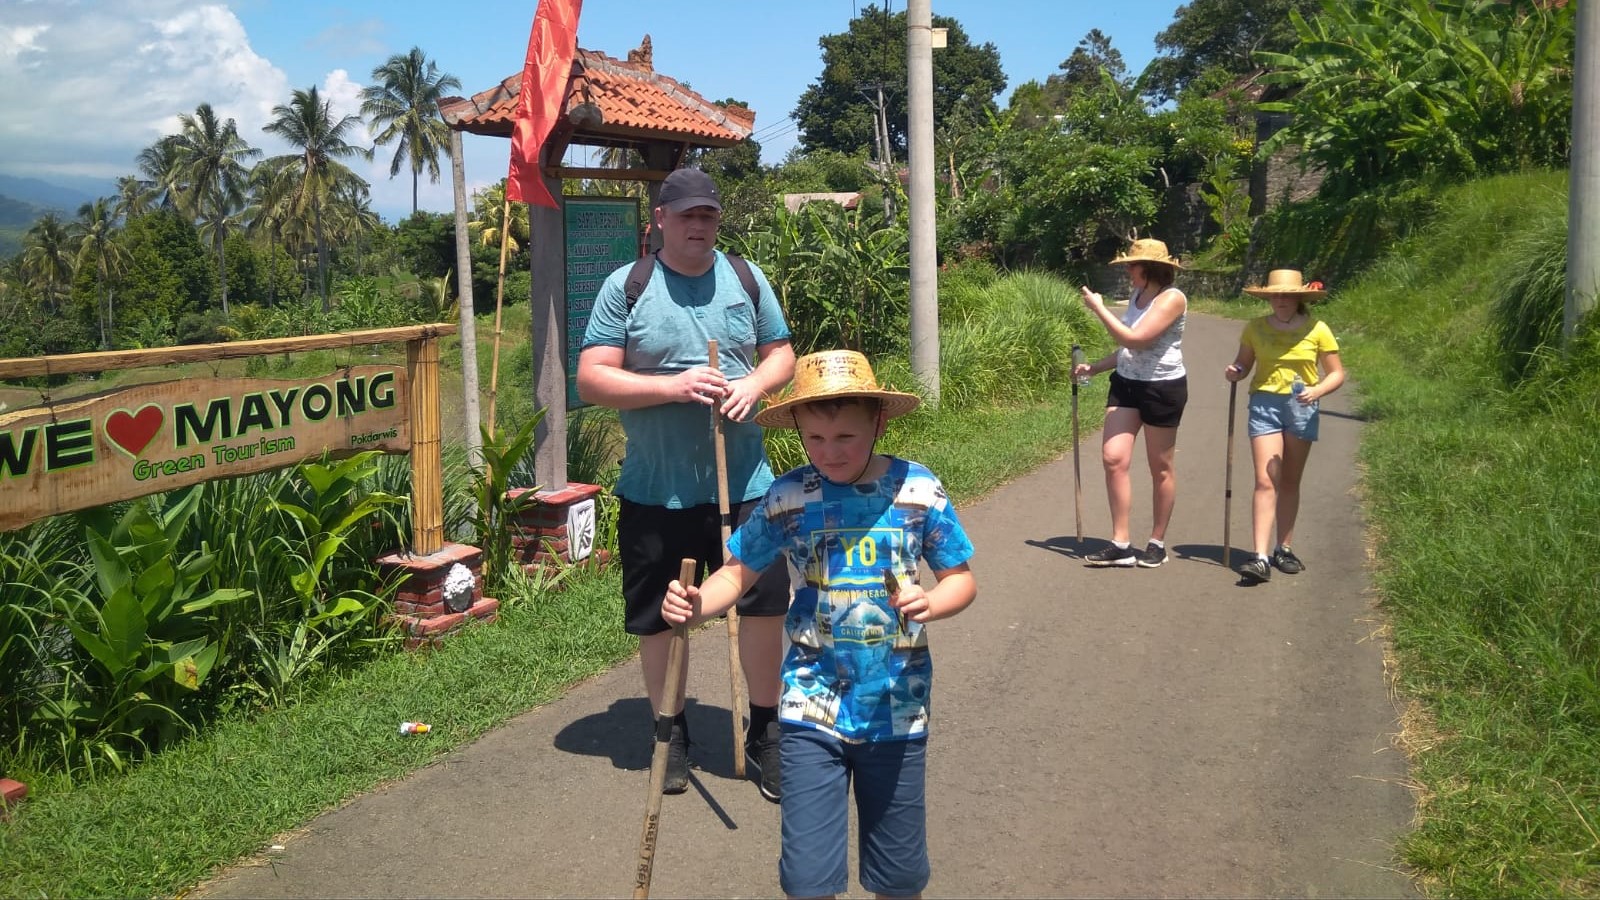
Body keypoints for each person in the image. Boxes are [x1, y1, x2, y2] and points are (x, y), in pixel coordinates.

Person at [662, 350, 977, 900]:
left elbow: (961, 578)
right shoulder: (787, 497)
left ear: (878, 423)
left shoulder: (918, 489)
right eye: (815, 440)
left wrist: (935, 600)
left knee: (899, 877)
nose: (830, 454)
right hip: (811, 701)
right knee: (807, 880)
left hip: (897, 706)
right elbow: (736, 573)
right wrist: (696, 601)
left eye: (846, 438)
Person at [577, 168, 796, 801]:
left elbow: (780, 352)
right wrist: (672, 386)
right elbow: (592, 379)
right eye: (686, 216)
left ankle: (766, 732)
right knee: (658, 618)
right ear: (661, 222)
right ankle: (668, 732)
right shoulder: (629, 286)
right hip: (654, 487)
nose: (699, 226)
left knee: (762, 606)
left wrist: (755, 383)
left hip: (747, 482)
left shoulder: (746, 278)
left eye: (709, 216)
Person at [1223, 269, 1346, 584]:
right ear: (1269, 297)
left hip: (1301, 406)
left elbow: (1336, 373)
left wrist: (1316, 390)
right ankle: (1260, 557)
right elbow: (1244, 362)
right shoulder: (1255, 328)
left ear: (1298, 299)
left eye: (1287, 295)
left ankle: (1284, 548)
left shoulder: (1318, 329)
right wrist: (1236, 370)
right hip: (1264, 404)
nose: (1281, 300)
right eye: (1275, 295)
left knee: (1290, 480)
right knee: (1266, 480)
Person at [1073, 238, 1189, 568]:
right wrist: (1095, 366)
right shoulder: (1139, 296)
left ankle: (1156, 542)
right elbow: (1127, 350)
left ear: (1150, 268)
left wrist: (1098, 308)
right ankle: (1121, 543)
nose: (1127, 270)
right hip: (1126, 383)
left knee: (1160, 466)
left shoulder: (1172, 299)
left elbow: (1134, 339)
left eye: (1132, 265)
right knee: (1113, 457)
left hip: (1162, 388)